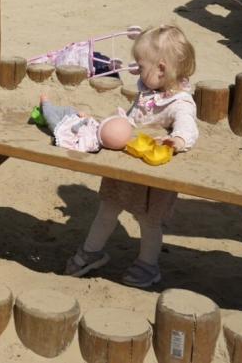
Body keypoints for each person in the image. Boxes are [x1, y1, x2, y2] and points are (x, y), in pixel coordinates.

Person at [63, 25, 198, 289]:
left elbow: (188, 126)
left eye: (141, 65)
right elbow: (139, 103)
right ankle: (92, 252)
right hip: (126, 168)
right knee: (107, 208)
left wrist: (177, 140)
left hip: (152, 176)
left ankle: (148, 265)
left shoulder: (179, 102)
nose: (136, 69)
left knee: (149, 221)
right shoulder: (151, 86)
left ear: (161, 69)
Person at [33, 98, 134, 153]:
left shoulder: (91, 143)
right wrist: (85, 117)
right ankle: (53, 109)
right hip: (74, 120)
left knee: (52, 120)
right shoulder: (100, 129)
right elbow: (92, 121)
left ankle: (46, 105)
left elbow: (79, 148)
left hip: (66, 133)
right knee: (69, 110)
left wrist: (78, 132)